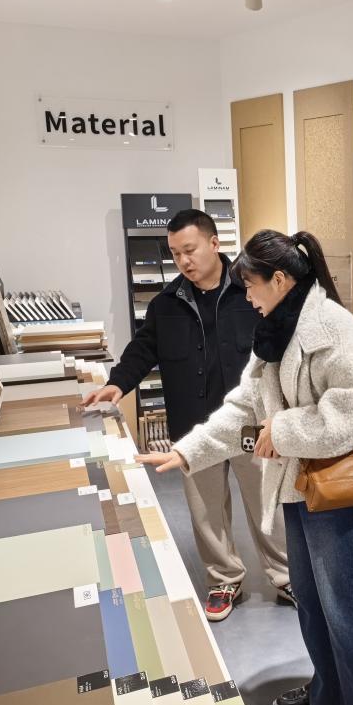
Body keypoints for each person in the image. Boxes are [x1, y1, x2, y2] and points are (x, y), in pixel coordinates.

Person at [137, 229, 353, 705]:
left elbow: (352, 415)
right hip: (299, 489)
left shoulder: (334, 328)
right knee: (314, 604)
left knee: (351, 612)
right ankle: (330, 695)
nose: (246, 296)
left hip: (339, 492)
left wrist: (280, 430)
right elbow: (244, 405)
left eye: (251, 285)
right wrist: (187, 451)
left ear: (280, 280)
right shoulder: (276, 331)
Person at [82, 209, 291, 621]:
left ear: (214, 243)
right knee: (205, 511)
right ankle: (224, 579)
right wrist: (118, 383)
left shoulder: (252, 293)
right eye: (175, 253)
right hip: (194, 429)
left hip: (250, 423)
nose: (183, 261)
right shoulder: (166, 305)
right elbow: (143, 349)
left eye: (190, 250)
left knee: (267, 503)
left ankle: (287, 576)